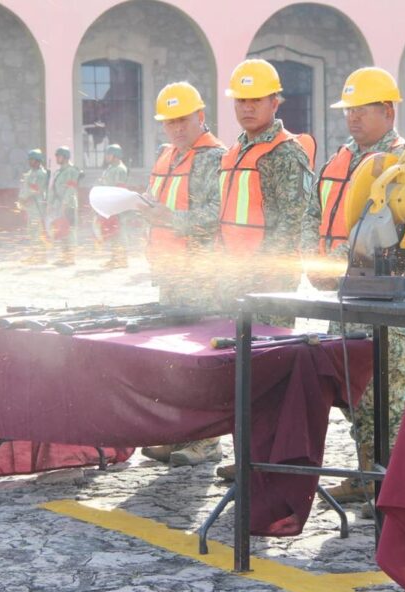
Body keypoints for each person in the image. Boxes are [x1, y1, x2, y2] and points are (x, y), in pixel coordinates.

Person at [300, 67, 405, 506]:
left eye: (362, 110)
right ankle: (368, 472)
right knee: (352, 386)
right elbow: (312, 213)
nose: (353, 118)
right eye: (349, 111)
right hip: (344, 295)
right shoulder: (339, 159)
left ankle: (395, 482)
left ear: (388, 110)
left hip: (386, 300)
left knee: (387, 388)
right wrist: (314, 259)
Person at [215, 58, 316, 481]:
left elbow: (288, 224)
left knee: (271, 373)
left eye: (256, 99)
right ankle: (248, 457)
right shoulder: (236, 150)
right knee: (243, 374)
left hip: (269, 284)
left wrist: (257, 275)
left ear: (276, 101)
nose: (247, 107)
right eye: (241, 100)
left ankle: (272, 461)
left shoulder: (285, 153)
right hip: (236, 281)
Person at [138, 82, 227, 467]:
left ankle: (206, 441)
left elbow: (216, 215)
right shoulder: (168, 157)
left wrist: (170, 219)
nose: (176, 128)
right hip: (171, 272)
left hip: (201, 275)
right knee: (172, 359)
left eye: (183, 120)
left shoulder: (213, 157)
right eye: (169, 122)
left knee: (200, 361)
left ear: (200, 117)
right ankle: (179, 434)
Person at [96, 144, 130, 269]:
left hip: (116, 204)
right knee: (112, 231)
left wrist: (113, 205)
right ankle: (115, 258)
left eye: (109, 154)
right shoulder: (111, 168)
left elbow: (119, 189)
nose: (106, 157)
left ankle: (121, 259)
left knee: (118, 231)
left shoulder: (120, 169)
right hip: (109, 203)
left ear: (115, 155)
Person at [47, 146, 82, 266]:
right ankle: (64, 256)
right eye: (56, 155)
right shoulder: (58, 171)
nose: (57, 158)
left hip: (69, 205)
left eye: (59, 155)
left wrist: (65, 204)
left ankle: (70, 257)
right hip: (59, 205)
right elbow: (53, 190)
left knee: (70, 230)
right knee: (61, 230)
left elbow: (71, 188)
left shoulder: (72, 171)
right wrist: (50, 203)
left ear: (65, 157)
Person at [17, 148, 49, 264]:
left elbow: (37, 190)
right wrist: (22, 200)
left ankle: (40, 256)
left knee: (37, 231)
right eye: (30, 160)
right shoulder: (30, 173)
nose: (30, 162)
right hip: (30, 207)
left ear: (38, 160)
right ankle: (35, 255)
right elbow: (25, 188)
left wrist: (26, 199)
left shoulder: (41, 174)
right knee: (32, 231)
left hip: (37, 206)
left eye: (32, 160)